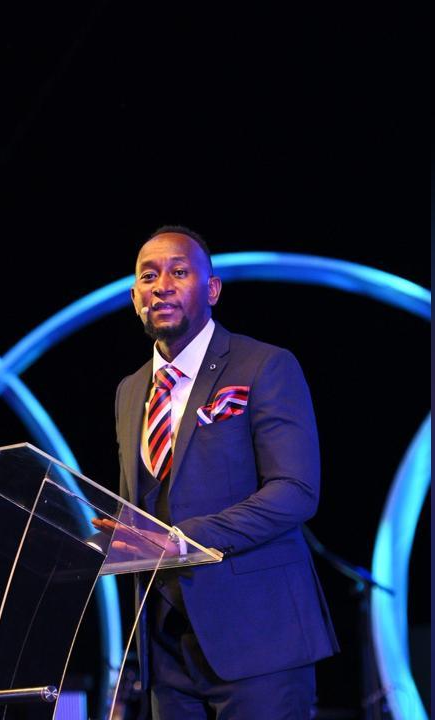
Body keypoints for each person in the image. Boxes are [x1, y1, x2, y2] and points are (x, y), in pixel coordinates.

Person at [112, 226, 339, 719]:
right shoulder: (130, 390)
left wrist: (184, 540)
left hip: (260, 639)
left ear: (212, 289)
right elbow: (138, 508)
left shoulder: (264, 365)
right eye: (148, 276)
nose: (161, 286)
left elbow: (296, 491)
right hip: (165, 651)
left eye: (179, 272)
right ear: (134, 299)